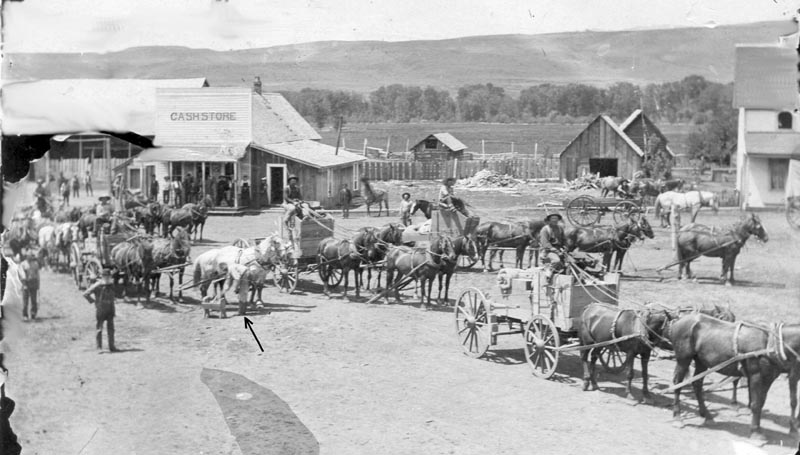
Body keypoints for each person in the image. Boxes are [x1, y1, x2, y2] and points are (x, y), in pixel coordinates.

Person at [82, 268, 117, 352]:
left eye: (109, 276)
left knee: (111, 329)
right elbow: (85, 294)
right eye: (105, 276)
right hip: (101, 310)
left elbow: (116, 295)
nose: (107, 277)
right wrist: (93, 301)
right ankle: (99, 347)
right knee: (99, 329)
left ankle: (112, 347)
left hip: (110, 309)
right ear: (102, 276)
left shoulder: (112, 285)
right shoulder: (98, 285)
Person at [19, 250, 40, 321]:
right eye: (28, 256)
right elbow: (22, 275)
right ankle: (25, 315)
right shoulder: (23, 264)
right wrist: (24, 284)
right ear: (26, 256)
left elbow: (37, 275)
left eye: (31, 256)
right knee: (25, 300)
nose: (30, 257)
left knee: (34, 299)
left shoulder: (35, 264)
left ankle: (33, 313)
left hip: (33, 282)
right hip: (26, 282)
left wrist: (38, 284)